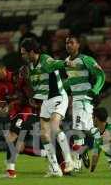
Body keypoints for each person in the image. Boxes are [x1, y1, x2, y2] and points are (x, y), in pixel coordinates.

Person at [20, 38, 74, 177]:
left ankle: (69, 161)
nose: (23, 56)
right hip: (46, 100)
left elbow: (55, 63)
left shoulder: (45, 60)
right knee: (44, 135)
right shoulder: (30, 67)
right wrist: (27, 79)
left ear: (32, 52)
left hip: (59, 97)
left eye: (24, 53)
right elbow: (33, 91)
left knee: (55, 127)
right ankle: (55, 169)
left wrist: (66, 62)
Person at [0, 60, 41, 179]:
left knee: (11, 136)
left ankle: (10, 171)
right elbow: (1, 102)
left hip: (26, 112)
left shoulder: (17, 78)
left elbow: (30, 94)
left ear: (4, 69)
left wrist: (17, 101)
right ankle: (50, 154)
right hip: (15, 115)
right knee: (20, 147)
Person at [64, 34, 105, 170]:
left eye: (71, 42)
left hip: (84, 98)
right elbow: (71, 80)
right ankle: (84, 152)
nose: (68, 45)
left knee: (77, 129)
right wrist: (60, 89)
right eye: (67, 43)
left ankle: (77, 162)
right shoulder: (66, 62)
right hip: (75, 99)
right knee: (84, 129)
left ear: (78, 45)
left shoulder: (86, 60)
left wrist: (95, 90)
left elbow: (100, 74)